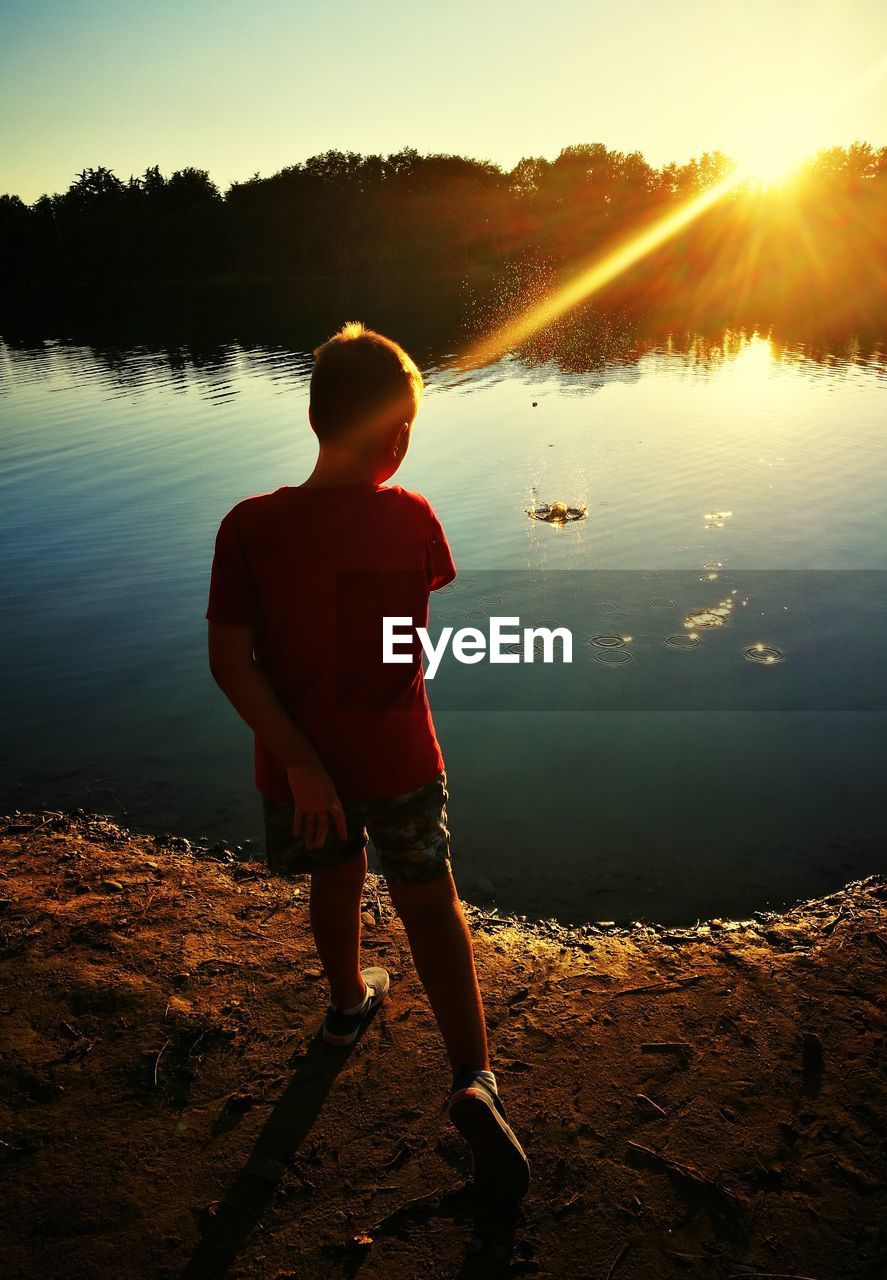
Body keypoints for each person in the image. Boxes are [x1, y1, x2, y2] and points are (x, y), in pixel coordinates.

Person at [204, 320, 529, 1200]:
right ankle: (474, 1077)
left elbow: (232, 663)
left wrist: (305, 763)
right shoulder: (413, 517)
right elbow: (401, 630)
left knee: (335, 878)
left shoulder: (247, 529)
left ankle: (348, 1004)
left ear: (313, 420)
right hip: (399, 756)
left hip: (299, 767)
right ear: (400, 439)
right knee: (432, 903)